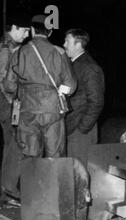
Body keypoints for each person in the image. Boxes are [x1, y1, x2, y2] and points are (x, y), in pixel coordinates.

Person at [3, 15, 77, 158]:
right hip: (53, 110)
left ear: (31, 30)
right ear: (50, 32)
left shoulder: (18, 52)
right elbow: (71, 86)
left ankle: (32, 180)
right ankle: (52, 180)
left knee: (30, 157)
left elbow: (9, 86)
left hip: (27, 111)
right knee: (55, 157)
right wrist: (57, 92)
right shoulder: (59, 52)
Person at [63, 29, 105, 167]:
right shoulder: (74, 63)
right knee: (72, 171)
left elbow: (96, 102)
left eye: (67, 41)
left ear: (78, 44)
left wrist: (82, 128)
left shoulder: (89, 67)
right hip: (72, 127)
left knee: (80, 172)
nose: (64, 44)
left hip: (80, 131)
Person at [0, 15, 30, 202]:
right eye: (24, 30)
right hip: (8, 102)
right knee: (15, 144)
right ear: (14, 27)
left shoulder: (10, 47)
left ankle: (6, 190)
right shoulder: (7, 49)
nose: (27, 35)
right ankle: (8, 188)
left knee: (11, 145)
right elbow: (4, 80)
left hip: (8, 102)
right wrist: (14, 104)